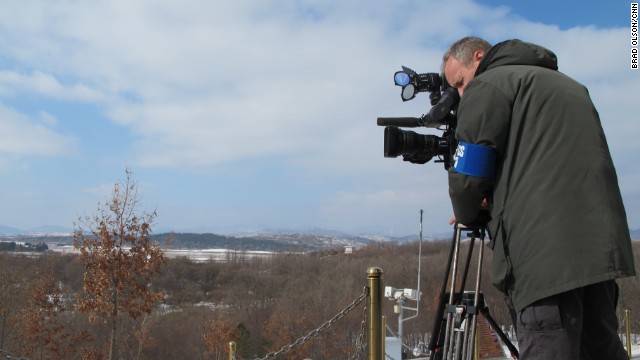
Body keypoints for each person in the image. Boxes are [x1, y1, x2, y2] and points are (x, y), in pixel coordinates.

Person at [442, 37, 636, 359]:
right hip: (600, 251)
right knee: (601, 347)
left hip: (544, 259)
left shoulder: (489, 84)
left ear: (478, 56)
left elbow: (468, 175)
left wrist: (470, 213)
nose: (461, 94)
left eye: (461, 82)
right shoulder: (571, 87)